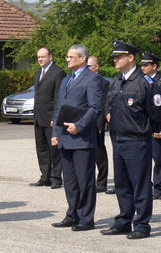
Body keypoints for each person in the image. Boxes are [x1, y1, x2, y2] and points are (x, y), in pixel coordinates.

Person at [100, 40, 161, 239]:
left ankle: (142, 225)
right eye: (114, 57)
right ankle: (123, 221)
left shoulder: (145, 82)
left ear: (131, 57)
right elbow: (109, 104)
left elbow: (158, 112)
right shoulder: (116, 81)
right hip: (118, 139)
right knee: (122, 184)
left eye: (119, 56)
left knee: (140, 185)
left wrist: (150, 130)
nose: (115, 60)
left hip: (137, 141)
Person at [51, 44, 103, 231]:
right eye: (67, 57)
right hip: (65, 137)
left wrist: (79, 126)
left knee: (84, 180)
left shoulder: (93, 79)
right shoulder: (66, 80)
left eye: (71, 57)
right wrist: (55, 133)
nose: (67, 60)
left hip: (81, 138)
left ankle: (86, 218)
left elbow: (95, 108)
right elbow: (59, 108)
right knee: (70, 181)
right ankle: (72, 214)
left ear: (83, 58)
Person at [30, 47, 65, 189]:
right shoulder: (38, 72)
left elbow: (58, 97)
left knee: (54, 150)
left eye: (43, 57)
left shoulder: (58, 72)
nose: (40, 59)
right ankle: (45, 177)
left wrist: (55, 118)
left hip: (50, 117)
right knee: (41, 148)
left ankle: (56, 178)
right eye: (38, 57)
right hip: (39, 117)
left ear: (50, 56)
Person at [139, 52, 161, 199]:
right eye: (142, 65)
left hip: (156, 126)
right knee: (143, 158)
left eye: (146, 65)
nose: (143, 67)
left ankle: (159, 187)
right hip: (143, 126)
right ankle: (146, 185)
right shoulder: (142, 80)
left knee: (157, 158)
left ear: (154, 66)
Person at [87, 56, 109, 193]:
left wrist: (100, 125)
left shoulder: (103, 83)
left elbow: (103, 105)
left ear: (96, 67)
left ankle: (102, 182)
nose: (87, 68)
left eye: (90, 66)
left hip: (96, 124)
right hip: (84, 123)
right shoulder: (83, 81)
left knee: (99, 154)